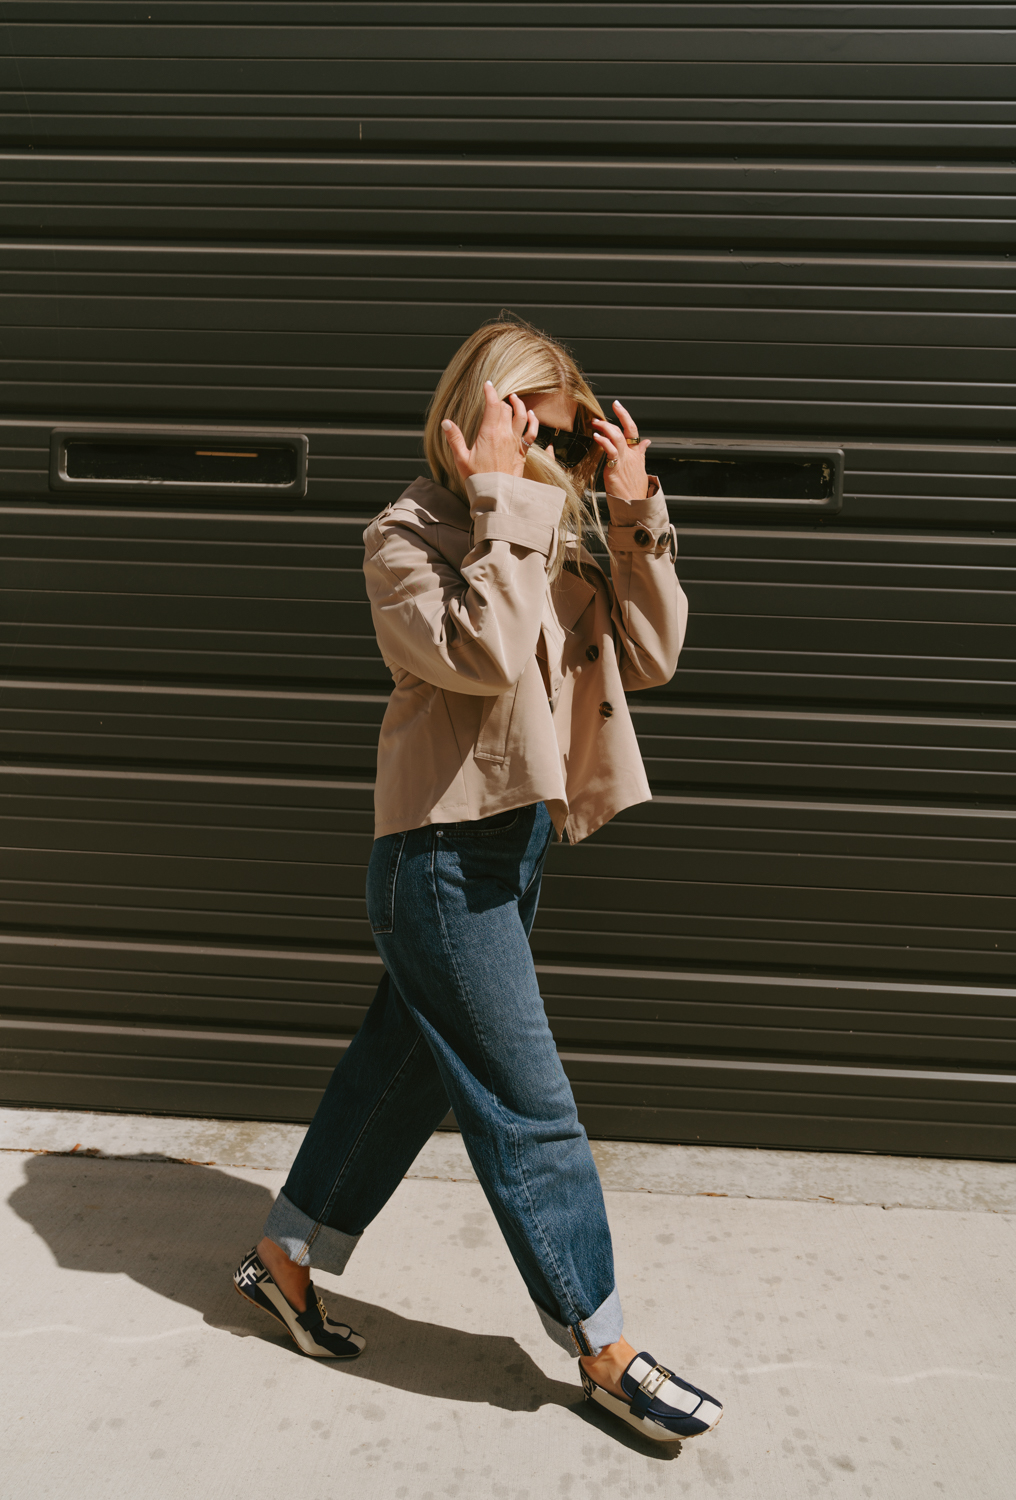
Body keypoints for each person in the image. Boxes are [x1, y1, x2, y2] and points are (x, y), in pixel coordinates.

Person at [233, 319, 724, 1444]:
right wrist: (504, 506)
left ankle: (281, 1254)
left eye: (560, 437)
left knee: (397, 1076)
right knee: (528, 1108)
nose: (547, 456)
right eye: (525, 429)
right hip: (437, 861)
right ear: (472, 420)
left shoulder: (553, 527)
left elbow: (649, 658)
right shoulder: (402, 537)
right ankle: (601, 1347)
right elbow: (486, 658)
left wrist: (636, 510)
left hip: (512, 849)